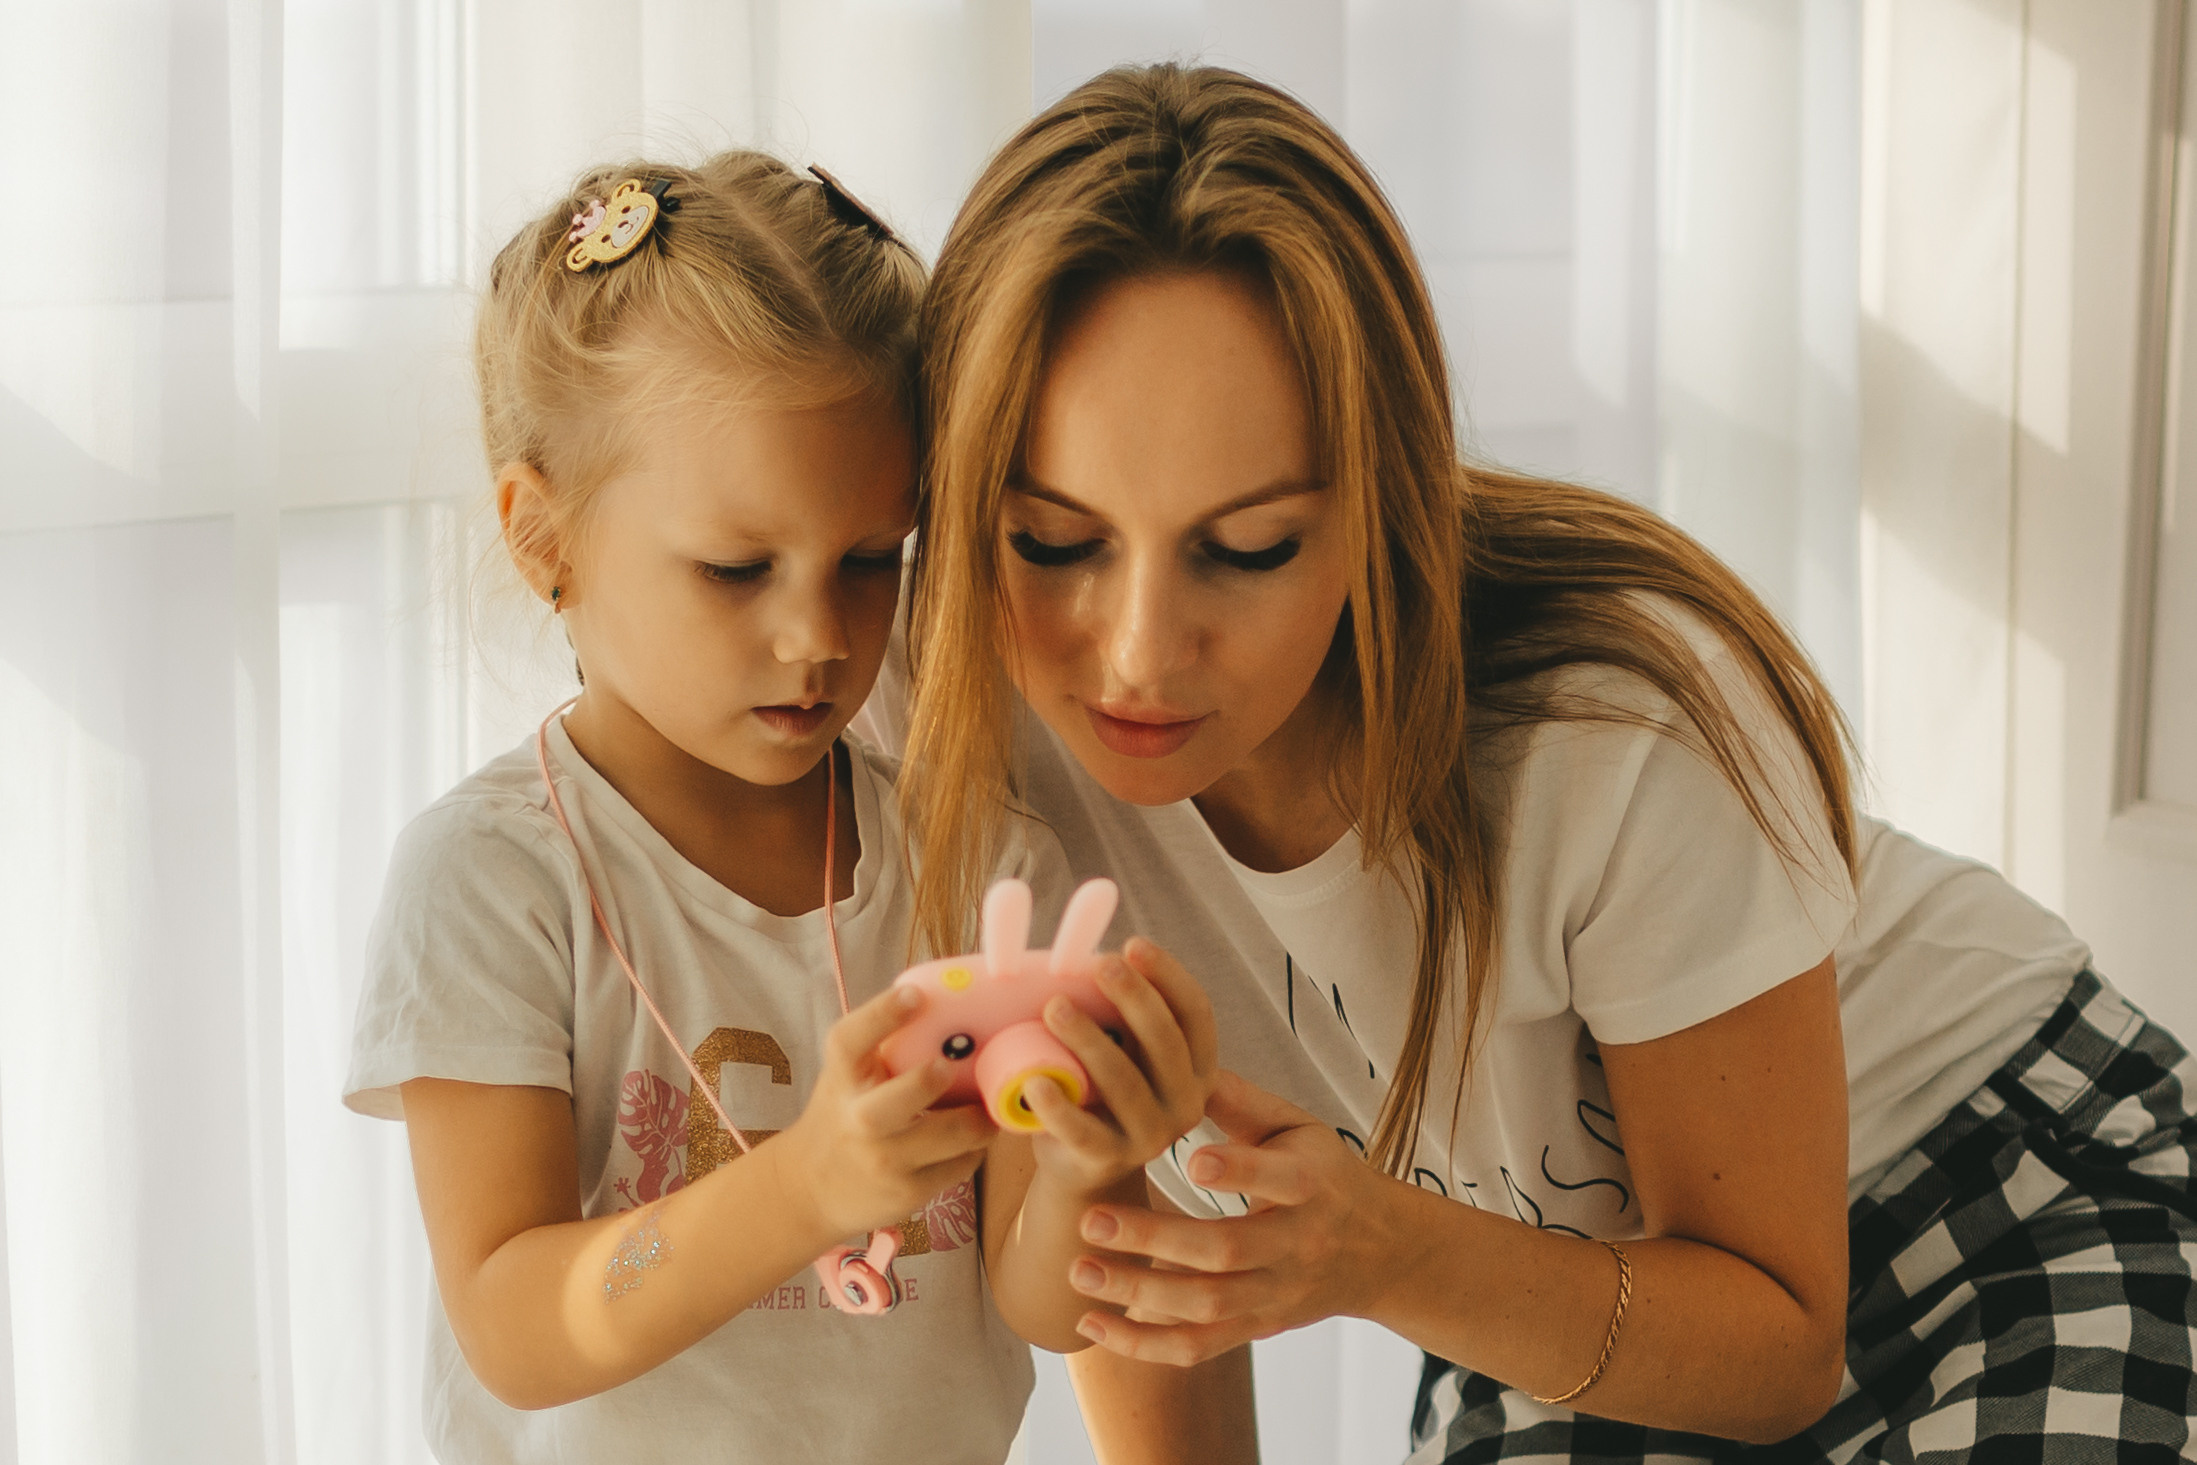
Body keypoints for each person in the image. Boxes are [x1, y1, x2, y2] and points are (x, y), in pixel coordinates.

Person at [880, 65, 2197, 1462]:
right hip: (1557, 1269)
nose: (1136, 654)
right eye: (1052, 539)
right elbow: (1140, 1288)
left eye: (1250, 544)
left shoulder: (1609, 726)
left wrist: (1387, 1255)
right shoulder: (950, 701)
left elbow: (1776, 1339)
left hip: (1984, 1190)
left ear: (1378, 502)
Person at [343, 150, 1217, 1465]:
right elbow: (514, 1322)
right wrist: (805, 1184)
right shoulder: (492, 879)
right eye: (736, 568)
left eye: (871, 560)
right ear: (545, 536)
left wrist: (1094, 1162)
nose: (815, 633)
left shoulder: (983, 862)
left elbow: (1033, 1301)